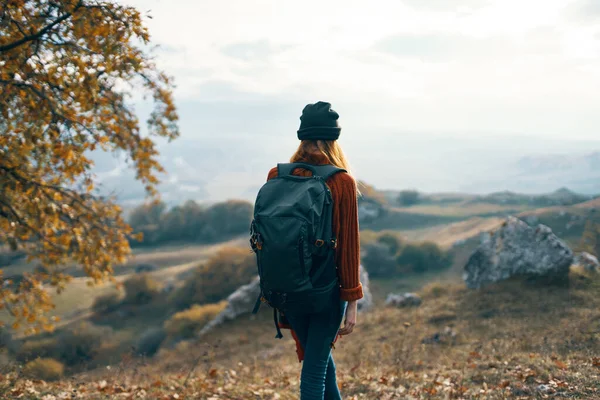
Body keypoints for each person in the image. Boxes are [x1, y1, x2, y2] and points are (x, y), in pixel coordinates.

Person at [265, 101, 363, 399]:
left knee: (321, 362)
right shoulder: (341, 181)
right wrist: (352, 300)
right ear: (332, 139)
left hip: (287, 289)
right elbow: (347, 247)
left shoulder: (277, 176)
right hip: (324, 292)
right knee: (314, 373)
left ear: (303, 137)